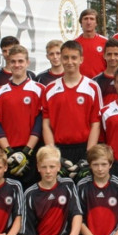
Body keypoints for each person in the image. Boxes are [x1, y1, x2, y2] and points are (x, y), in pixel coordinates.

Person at [41, 40, 103, 172]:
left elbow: (96, 124)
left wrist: (88, 156)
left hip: (84, 148)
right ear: (61, 59)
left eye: (74, 57)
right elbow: (46, 124)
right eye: (66, 57)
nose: (70, 62)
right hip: (58, 149)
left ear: (81, 59)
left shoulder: (92, 87)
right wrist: (54, 155)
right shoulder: (50, 89)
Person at [0, 44, 45, 189]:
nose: (17, 65)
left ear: (27, 62)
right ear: (8, 63)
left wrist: (26, 151)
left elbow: (40, 122)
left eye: (20, 61)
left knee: (32, 193)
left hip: (31, 152)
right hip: (8, 154)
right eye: (13, 61)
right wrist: (9, 152)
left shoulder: (39, 89)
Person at [75, 9, 108, 78]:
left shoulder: (105, 42)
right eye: (85, 19)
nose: (88, 22)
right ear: (81, 22)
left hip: (101, 83)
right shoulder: (74, 44)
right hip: (81, 84)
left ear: (96, 23)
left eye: (92, 19)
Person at [92, 38, 118, 106]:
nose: (112, 58)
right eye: (109, 54)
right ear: (104, 55)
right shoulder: (95, 82)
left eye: (116, 54)